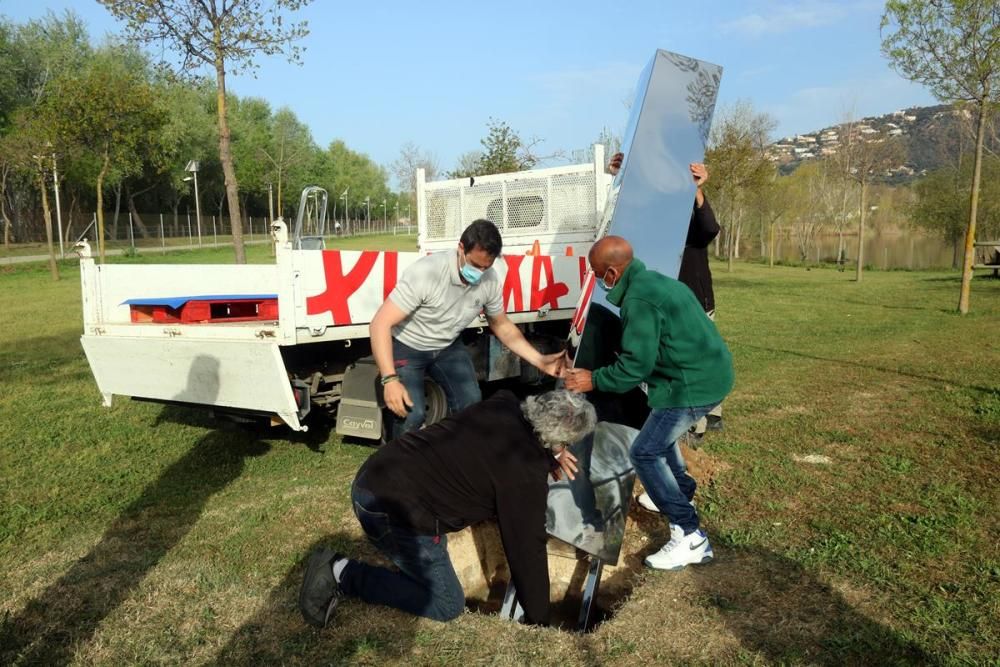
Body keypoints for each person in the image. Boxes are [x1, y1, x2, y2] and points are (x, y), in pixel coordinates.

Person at [298, 389, 596, 627]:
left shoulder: (503, 403)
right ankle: (340, 572)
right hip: (393, 511)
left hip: (378, 471)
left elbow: (520, 440)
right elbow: (526, 549)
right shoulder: (523, 474)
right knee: (447, 605)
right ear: (558, 438)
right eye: (566, 443)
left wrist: (551, 451)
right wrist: (539, 619)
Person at [563, 236, 733, 570]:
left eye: (598, 273)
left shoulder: (639, 300)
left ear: (612, 273)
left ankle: (690, 535)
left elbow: (633, 369)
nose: (597, 280)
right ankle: (680, 488)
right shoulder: (655, 281)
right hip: (704, 375)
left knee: (644, 451)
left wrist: (591, 379)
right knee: (659, 433)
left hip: (691, 387)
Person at [370, 219, 565, 439]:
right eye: (475, 265)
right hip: (408, 345)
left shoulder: (489, 280)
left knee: (471, 405)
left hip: (447, 346)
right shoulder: (427, 272)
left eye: (486, 267)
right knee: (410, 413)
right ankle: (395, 465)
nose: (480, 272)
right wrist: (389, 379)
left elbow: (501, 325)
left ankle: (456, 458)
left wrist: (538, 360)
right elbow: (380, 324)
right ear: (461, 248)